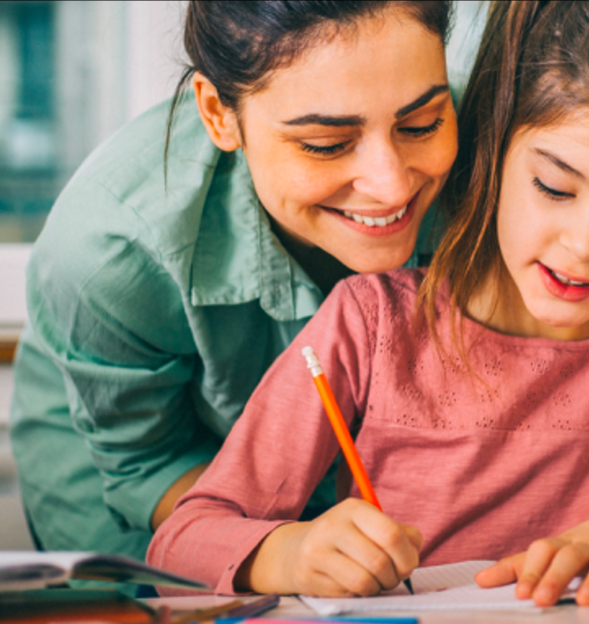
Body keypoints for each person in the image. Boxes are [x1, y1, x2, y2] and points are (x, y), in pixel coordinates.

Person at [147, 0, 589, 607]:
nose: (586, 246)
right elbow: (182, 538)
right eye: (554, 188)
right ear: (492, 150)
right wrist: (289, 552)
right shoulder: (371, 325)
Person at [10, 0, 456, 564]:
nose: (391, 187)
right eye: (325, 144)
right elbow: (147, 465)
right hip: (145, 469)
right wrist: (279, 551)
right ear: (219, 114)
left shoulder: (507, 156)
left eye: (422, 124)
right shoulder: (111, 250)